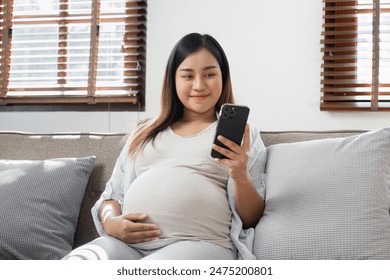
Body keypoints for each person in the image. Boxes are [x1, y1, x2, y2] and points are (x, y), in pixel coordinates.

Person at [63, 33, 267, 260]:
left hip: (200, 245)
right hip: (125, 246)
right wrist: (111, 222)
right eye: (188, 76)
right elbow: (112, 195)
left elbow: (251, 218)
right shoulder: (143, 133)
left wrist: (239, 172)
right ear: (173, 80)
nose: (199, 85)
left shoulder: (241, 134)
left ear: (224, 77)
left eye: (210, 74)